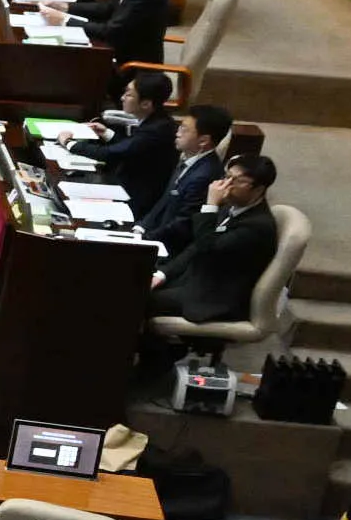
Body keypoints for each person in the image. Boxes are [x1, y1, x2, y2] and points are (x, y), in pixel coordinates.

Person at [150, 153, 278, 328]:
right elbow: (195, 247)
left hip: (214, 297)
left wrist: (210, 206)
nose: (226, 185)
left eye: (236, 180)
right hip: (197, 278)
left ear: (259, 189)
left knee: (138, 298)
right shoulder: (231, 207)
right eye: (227, 176)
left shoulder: (257, 226)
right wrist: (162, 274)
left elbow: (207, 249)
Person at [70, 69, 181, 215]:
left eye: (128, 94)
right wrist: (107, 133)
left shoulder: (157, 130)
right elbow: (133, 146)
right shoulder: (157, 121)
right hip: (125, 185)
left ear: (146, 104)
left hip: (134, 201)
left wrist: (69, 143)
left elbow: (110, 153)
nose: (122, 98)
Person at [144, 102, 237, 247]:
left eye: (184, 130)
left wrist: (145, 238)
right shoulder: (187, 159)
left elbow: (182, 224)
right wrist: (141, 226)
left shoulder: (204, 175)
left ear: (203, 140)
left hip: (168, 247)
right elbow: (163, 202)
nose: (177, 133)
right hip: (156, 235)